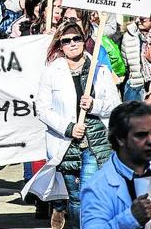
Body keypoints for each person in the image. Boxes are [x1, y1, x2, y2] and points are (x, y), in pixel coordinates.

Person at [34, 21, 120, 229]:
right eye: (67, 40)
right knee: (75, 198)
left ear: (84, 41)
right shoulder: (52, 71)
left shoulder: (99, 70)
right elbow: (42, 109)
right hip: (67, 144)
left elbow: (116, 106)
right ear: (60, 45)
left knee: (89, 194)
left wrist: (94, 105)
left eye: (77, 39)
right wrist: (69, 127)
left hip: (94, 142)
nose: (72, 44)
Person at [80, 102, 151, 229]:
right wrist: (131, 219)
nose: (150, 140)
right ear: (120, 139)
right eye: (141, 135)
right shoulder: (97, 187)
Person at [121, 16, 151, 102]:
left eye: (142, 19)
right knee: (129, 114)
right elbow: (125, 61)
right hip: (135, 84)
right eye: (137, 17)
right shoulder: (128, 35)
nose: (138, 20)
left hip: (148, 85)